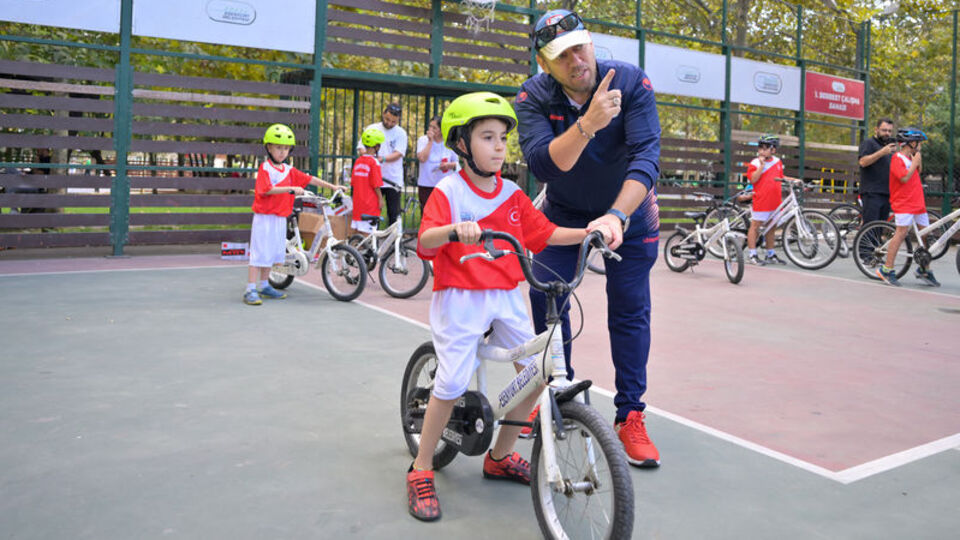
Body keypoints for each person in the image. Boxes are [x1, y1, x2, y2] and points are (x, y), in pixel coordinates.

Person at [407, 92, 612, 522]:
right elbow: (425, 241)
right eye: (487, 137)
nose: (499, 146)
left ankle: (499, 456)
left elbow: (545, 233)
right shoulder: (449, 190)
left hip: (504, 295)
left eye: (502, 137)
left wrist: (588, 233)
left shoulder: (514, 194)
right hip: (460, 296)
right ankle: (421, 467)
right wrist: (454, 230)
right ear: (462, 144)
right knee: (451, 382)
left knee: (539, 372)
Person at [514, 9, 663, 468]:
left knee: (630, 310)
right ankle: (561, 398)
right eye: (561, 55)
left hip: (630, 216)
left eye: (579, 47)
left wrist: (617, 215)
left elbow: (646, 157)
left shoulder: (631, 82)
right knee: (546, 300)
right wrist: (588, 124)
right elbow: (544, 165)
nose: (576, 60)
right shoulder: (533, 95)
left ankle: (630, 414)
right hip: (563, 215)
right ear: (544, 63)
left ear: (591, 42)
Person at [244, 124, 340, 306]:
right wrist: (291, 188)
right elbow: (266, 189)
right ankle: (250, 289)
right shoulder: (265, 168)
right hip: (264, 217)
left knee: (272, 254)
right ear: (269, 148)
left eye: (286, 148)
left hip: (280, 218)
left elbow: (309, 179)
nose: (282, 152)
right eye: (278, 147)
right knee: (259, 253)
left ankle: (264, 286)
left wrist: (333, 187)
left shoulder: (288, 170)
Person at [877, 128, 939, 287]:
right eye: (919, 143)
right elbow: (904, 177)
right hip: (903, 203)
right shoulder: (897, 158)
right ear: (911, 143)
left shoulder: (911, 157)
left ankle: (924, 269)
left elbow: (918, 171)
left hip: (917, 202)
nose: (920, 146)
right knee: (901, 233)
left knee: (925, 235)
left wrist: (917, 160)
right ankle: (886, 269)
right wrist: (915, 162)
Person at [744, 134, 799, 266]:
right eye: (760, 148)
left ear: (773, 150)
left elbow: (781, 176)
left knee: (771, 227)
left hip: (775, 201)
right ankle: (752, 254)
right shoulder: (755, 163)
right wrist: (762, 166)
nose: (762, 151)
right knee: (755, 226)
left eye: (766, 148)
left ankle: (770, 254)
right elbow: (753, 179)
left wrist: (794, 180)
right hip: (761, 200)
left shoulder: (777, 162)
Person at [360, 102, 407, 227]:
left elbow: (399, 153)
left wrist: (382, 159)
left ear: (398, 120)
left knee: (393, 213)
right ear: (383, 113)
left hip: (393, 180)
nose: (389, 123)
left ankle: (392, 238)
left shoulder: (401, 133)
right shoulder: (372, 128)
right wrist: (370, 157)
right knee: (372, 212)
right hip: (373, 179)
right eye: (387, 119)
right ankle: (371, 235)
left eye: (393, 121)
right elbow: (361, 148)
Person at [415, 115, 459, 212]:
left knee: (443, 211)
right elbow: (422, 158)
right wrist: (430, 141)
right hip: (426, 184)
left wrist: (448, 165)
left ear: (442, 130)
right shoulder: (423, 140)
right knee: (427, 212)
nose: (431, 130)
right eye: (430, 126)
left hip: (444, 184)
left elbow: (458, 163)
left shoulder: (449, 143)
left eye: (434, 128)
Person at [858, 118, 897, 224]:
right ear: (876, 129)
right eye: (884, 130)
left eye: (889, 131)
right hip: (872, 192)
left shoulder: (888, 148)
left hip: (886, 193)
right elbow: (863, 162)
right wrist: (882, 152)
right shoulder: (868, 143)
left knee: (880, 228)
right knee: (870, 227)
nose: (887, 133)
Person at [350, 127, 385, 235]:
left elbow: (353, 182)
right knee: (368, 234)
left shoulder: (358, 161)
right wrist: (380, 199)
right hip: (370, 203)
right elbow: (376, 184)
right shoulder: (374, 162)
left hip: (358, 202)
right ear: (376, 146)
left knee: (357, 232)